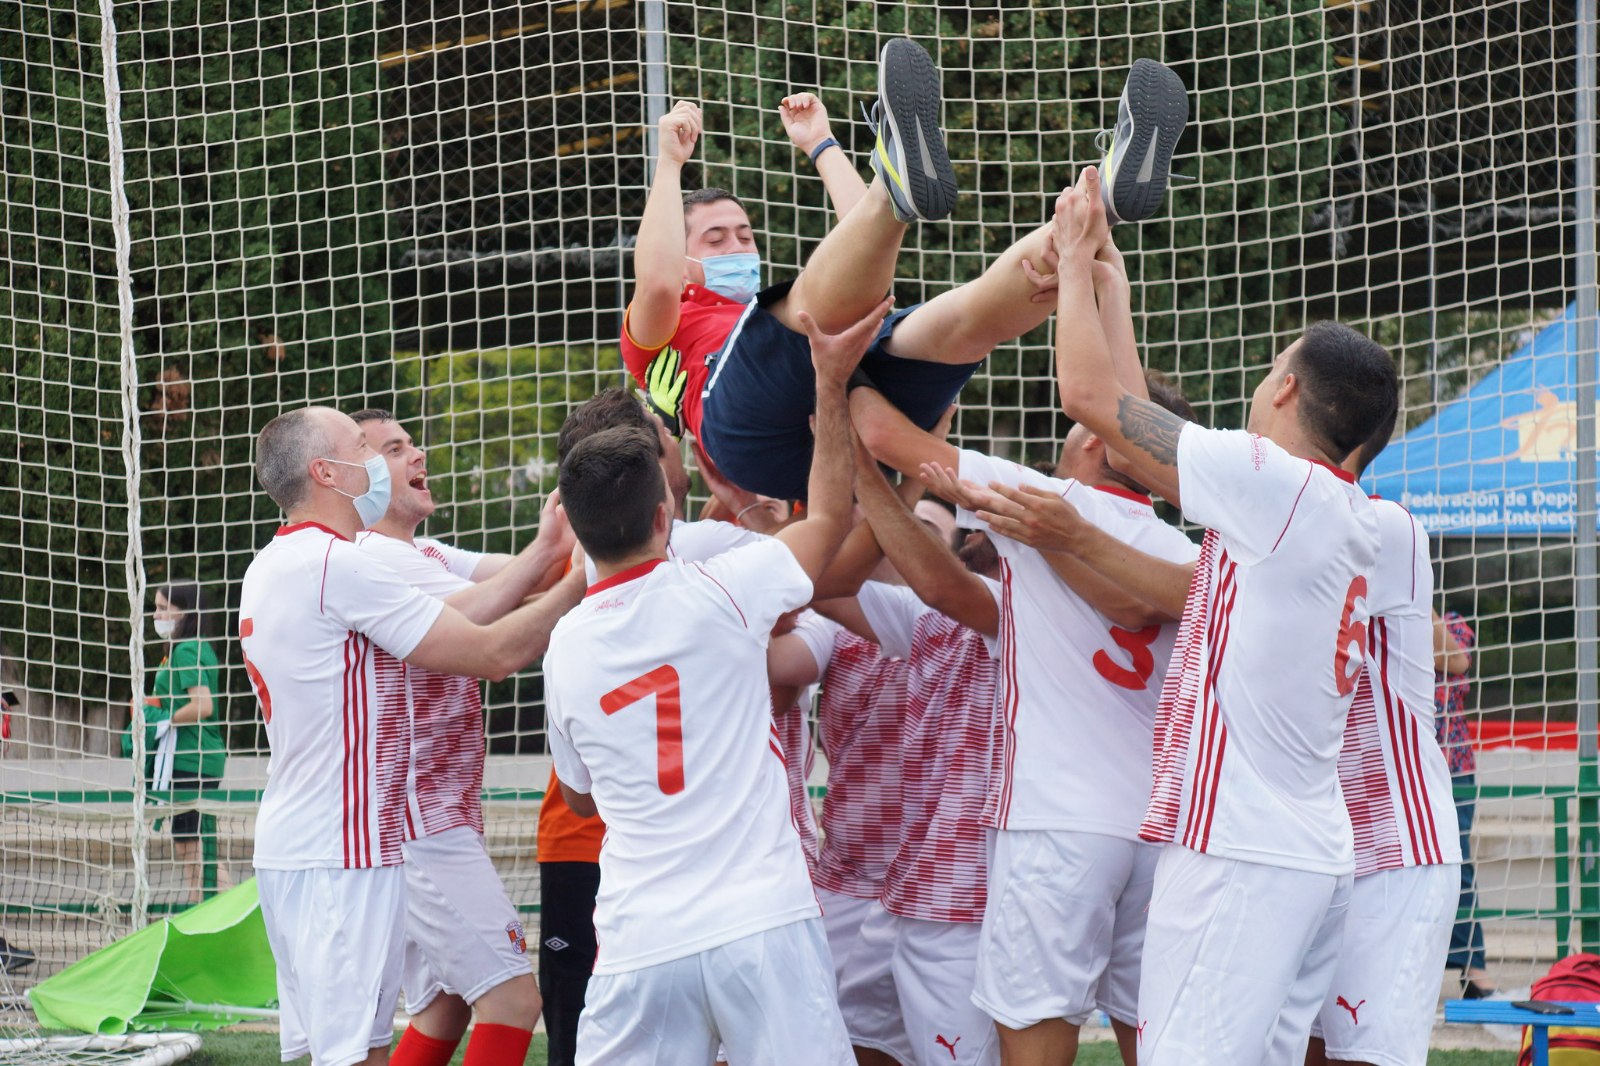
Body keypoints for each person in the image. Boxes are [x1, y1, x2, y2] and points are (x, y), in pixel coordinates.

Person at [960, 167, 1398, 1064]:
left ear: (1284, 390)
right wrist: (1110, 287)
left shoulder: (1273, 487)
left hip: (1241, 851)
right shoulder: (1338, 511)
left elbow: (1091, 403)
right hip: (1304, 850)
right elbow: (1131, 425)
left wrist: (1076, 260)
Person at [857, 241, 1201, 1065]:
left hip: (1057, 823)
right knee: (1156, 1042)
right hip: (1161, 829)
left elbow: (881, 433)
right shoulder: (1183, 547)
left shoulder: (1049, 502)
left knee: (1033, 1041)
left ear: (1094, 436)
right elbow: (951, 593)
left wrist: (853, 364)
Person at [541, 298, 890, 1063]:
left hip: (640, 937)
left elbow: (578, 794)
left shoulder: (564, 646)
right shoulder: (722, 588)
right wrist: (829, 382)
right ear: (663, 518)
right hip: (759, 918)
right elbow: (829, 520)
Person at [623, 45, 1189, 500]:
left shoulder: (765, 311)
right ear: (681, 252)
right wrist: (669, 162)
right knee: (808, 314)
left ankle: (1100, 205)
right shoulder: (661, 329)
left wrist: (821, 144)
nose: (738, 247)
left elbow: (861, 244)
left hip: (853, 411)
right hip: (756, 435)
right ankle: (892, 186)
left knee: (957, 319)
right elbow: (655, 280)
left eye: (745, 235)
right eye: (716, 239)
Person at [240, 405, 586, 1066]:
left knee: (351, 1047)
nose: (379, 461)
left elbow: (467, 614)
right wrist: (579, 580)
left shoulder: (279, 563)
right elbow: (490, 653)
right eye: (364, 448)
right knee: (361, 1054)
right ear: (327, 471)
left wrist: (555, 561)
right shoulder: (341, 564)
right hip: (345, 852)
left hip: (303, 846)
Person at [348, 409, 576, 1066]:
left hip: (425, 819)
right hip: (420, 826)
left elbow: (529, 572)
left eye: (411, 443)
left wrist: (584, 537)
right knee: (511, 1002)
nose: (417, 454)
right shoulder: (376, 558)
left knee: (445, 1004)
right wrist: (566, 559)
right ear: (354, 479)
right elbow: (494, 618)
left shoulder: (419, 552)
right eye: (395, 449)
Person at [793, 439, 1007, 1066]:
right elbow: (815, 584)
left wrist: (880, 465)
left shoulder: (1017, 609)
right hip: (889, 888)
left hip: (966, 899)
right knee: (852, 1044)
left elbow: (941, 584)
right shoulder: (914, 617)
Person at [1304, 418, 1462, 1066]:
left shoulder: (1381, 526)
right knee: (1304, 1048)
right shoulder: (1279, 534)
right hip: (1319, 844)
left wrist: (1078, 537)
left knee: (1361, 1055)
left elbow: (1453, 658)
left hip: (1395, 841)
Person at [146, 583, 228, 904]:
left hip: (192, 760)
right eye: (156, 607)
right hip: (192, 758)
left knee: (193, 846)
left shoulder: (186, 650)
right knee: (189, 845)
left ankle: (229, 917)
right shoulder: (186, 648)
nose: (157, 614)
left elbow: (202, 705)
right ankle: (204, 915)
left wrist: (162, 721)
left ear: (185, 612)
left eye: (164, 607)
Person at [1435, 610, 1490, 996]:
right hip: (1396, 763)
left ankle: (1475, 968)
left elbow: (1455, 659)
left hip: (1452, 765)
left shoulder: (1453, 624)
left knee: (1458, 867)